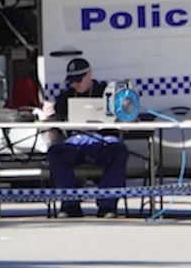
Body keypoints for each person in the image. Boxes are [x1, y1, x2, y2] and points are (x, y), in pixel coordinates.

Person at [40, 57, 128, 219]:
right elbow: (55, 123)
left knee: (119, 150)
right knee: (55, 152)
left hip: (103, 141)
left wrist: (122, 119)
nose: (75, 85)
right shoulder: (65, 97)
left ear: (90, 74)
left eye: (79, 80)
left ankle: (107, 205)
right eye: (72, 81)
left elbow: (126, 116)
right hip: (75, 142)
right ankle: (70, 204)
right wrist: (49, 116)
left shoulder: (106, 92)